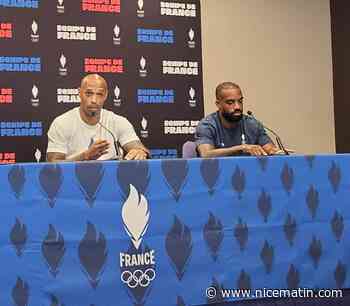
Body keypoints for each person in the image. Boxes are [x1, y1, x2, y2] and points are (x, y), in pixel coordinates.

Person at [46, 74, 149, 162]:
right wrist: (85, 156)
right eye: (89, 93)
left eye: (99, 94)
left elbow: (137, 147)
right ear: (79, 93)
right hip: (72, 179)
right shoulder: (62, 123)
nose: (94, 100)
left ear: (105, 96)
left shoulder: (117, 121)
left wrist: (139, 151)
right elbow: (52, 165)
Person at [195, 81, 279, 158]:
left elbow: (270, 149)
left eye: (240, 101)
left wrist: (275, 152)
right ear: (218, 104)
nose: (237, 107)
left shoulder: (252, 124)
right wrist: (241, 148)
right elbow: (206, 154)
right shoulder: (207, 125)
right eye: (230, 103)